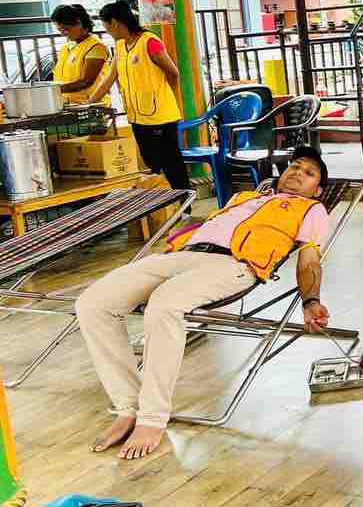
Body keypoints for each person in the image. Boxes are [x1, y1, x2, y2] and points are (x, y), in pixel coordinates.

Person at [75, 146, 332, 460]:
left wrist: (311, 301)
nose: (297, 173)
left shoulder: (312, 210)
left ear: (317, 190)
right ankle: (129, 406)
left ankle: (152, 417)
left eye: (309, 173)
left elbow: (309, 260)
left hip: (235, 265)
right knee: (93, 303)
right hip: (184, 255)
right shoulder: (244, 198)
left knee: (165, 305)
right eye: (295, 166)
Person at [87, 0, 189, 190]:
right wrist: (89, 104)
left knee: (171, 162)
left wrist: (168, 95)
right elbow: (110, 78)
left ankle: (184, 199)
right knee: (150, 161)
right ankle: (164, 200)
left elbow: (173, 73)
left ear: (114, 22)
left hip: (160, 116)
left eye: (105, 25)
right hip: (137, 116)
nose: (106, 30)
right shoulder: (120, 46)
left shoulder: (149, 42)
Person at [49, 4, 109, 104]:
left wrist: (52, 89)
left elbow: (86, 82)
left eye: (66, 29)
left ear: (79, 23)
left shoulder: (96, 47)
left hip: (89, 106)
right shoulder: (66, 47)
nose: (63, 34)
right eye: (60, 30)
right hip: (68, 104)